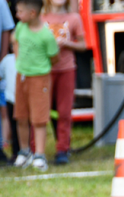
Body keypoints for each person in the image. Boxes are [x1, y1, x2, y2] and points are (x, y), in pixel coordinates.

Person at [12, 0, 59, 171]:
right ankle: (25, 152)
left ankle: (39, 154)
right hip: (21, 77)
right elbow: (15, 40)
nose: (17, 15)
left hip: (39, 79)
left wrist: (39, 68)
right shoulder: (20, 28)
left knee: (39, 118)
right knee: (21, 116)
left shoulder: (46, 35)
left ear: (32, 13)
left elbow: (54, 57)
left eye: (20, 11)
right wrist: (19, 60)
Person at [42, 0, 84, 165]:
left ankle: (62, 150)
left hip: (67, 69)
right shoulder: (40, 17)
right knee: (41, 112)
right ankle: (36, 150)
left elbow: (83, 44)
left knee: (64, 112)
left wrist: (67, 43)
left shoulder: (74, 18)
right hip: (44, 70)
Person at [0, 40, 18, 162]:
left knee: (22, 125)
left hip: (24, 99)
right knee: (9, 120)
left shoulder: (28, 60)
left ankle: (25, 151)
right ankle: (12, 149)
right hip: (9, 97)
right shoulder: (7, 60)